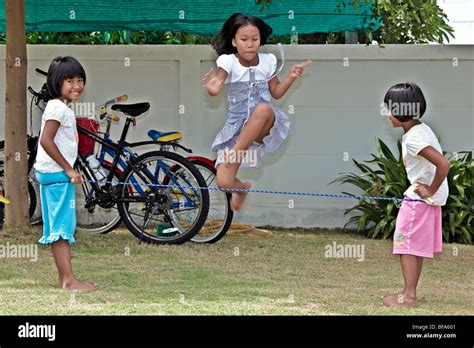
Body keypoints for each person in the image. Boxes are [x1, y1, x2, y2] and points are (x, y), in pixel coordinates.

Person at [203, 12, 311, 212]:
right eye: (244, 39)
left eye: (255, 39)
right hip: (237, 129)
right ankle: (241, 190)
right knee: (223, 181)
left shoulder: (268, 61)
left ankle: (235, 154)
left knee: (263, 108)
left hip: (264, 124)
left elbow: (276, 93)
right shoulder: (228, 62)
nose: (250, 44)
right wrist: (212, 86)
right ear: (234, 41)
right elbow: (217, 83)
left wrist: (292, 77)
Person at [382, 82, 449, 307]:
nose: (386, 113)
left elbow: (443, 164)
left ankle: (408, 297)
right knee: (414, 246)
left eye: (389, 109)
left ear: (399, 112)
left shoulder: (414, 139)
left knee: (406, 245)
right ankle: (408, 292)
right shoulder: (420, 129)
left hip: (419, 201)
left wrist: (430, 189)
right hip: (425, 201)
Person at [34, 56, 97, 292]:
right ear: (56, 82)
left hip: (51, 173)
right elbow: (46, 140)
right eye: (69, 80)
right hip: (58, 175)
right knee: (62, 229)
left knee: (58, 229)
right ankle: (69, 281)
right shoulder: (58, 108)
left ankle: (65, 279)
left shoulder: (58, 106)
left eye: (80, 80)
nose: (77, 85)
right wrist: (69, 169)